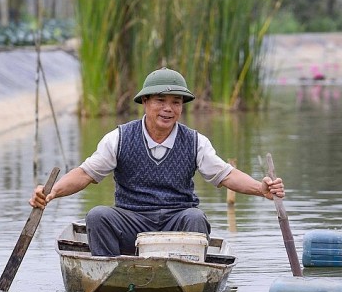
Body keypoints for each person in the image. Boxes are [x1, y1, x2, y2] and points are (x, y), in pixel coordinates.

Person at [30, 66, 285, 256]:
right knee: (98, 216)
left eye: (176, 102)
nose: (168, 109)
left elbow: (226, 175)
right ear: (145, 102)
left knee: (195, 217)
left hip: (177, 222)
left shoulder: (196, 142)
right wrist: (51, 193)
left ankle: (188, 272)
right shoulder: (119, 138)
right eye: (160, 101)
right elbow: (85, 174)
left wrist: (260, 189)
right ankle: (109, 275)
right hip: (132, 220)